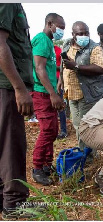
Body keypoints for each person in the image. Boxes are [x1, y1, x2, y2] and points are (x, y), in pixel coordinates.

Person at [0, 3, 34, 219]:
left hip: (6, 85)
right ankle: (15, 203)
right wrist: (20, 88)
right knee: (11, 145)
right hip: (7, 86)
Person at [59, 21, 103, 150]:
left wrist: (77, 66)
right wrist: (60, 83)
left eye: (86, 33)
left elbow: (100, 68)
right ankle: (85, 152)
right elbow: (63, 66)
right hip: (71, 92)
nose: (84, 36)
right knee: (77, 124)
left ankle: (89, 155)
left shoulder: (94, 47)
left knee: (85, 126)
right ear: (73, 34)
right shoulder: (67, 45)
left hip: (88, 94)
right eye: (80, 34)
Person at [31, 13, 66, 186]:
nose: (61, 32)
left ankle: (47, 164)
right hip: (41, 93)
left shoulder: (50, 43)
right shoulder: (40, 40)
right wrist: (53, 94)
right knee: (46, 130)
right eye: (60, 27)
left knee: (53, 130)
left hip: (49, 92)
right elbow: (39, 68)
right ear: (50, 23)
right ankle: (37, 167)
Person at [54, 45, 68, 139]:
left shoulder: (58, 49)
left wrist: (53, 67)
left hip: (58, 80)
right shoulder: (43, 47)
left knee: (60, 107)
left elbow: (63, 66)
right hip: (47, 81)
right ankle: (53, 131)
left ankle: (63, 131)